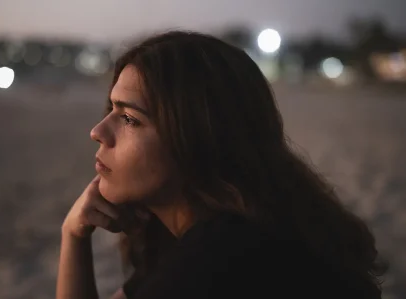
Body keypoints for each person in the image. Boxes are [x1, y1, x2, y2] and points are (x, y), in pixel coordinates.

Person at [56, 31, 385, 299]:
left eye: (129, 118)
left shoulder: (218, 261)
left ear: (198, 136)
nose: (97, 132)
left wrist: (73, 238)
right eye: (111, 110)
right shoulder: (225, 231)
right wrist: (73, 234)